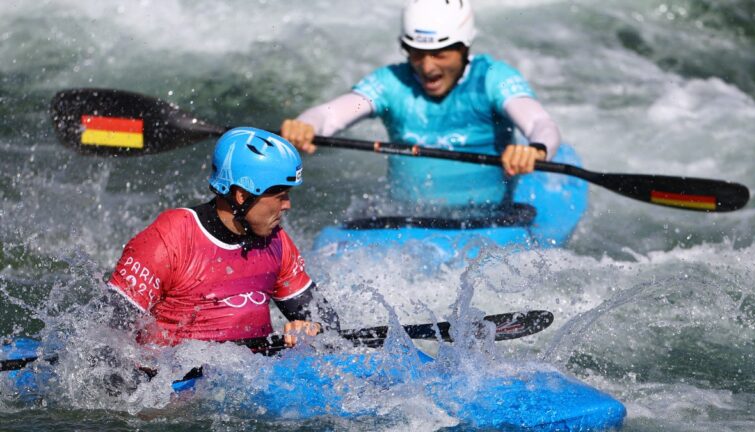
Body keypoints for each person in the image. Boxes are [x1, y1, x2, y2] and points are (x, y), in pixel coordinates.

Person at [281, 0, 562, 211]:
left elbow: (540, 124)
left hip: (490, 219)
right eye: (417, 53)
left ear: (464, 48)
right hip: (406, 220)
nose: (427, 67)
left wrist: (535, 151)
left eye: (439, 54)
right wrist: (306, 125)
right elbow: (329, 115)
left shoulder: (493, 78)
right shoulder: (392, 82)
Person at [105, 127, 340, 349]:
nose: (288, 205)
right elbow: (106, 335)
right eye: (280, 196)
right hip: (174, 384)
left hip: (251, 379)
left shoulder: (277, 242)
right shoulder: (169, 239)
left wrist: (312, 328)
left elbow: (328, 322)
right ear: (242, 195)